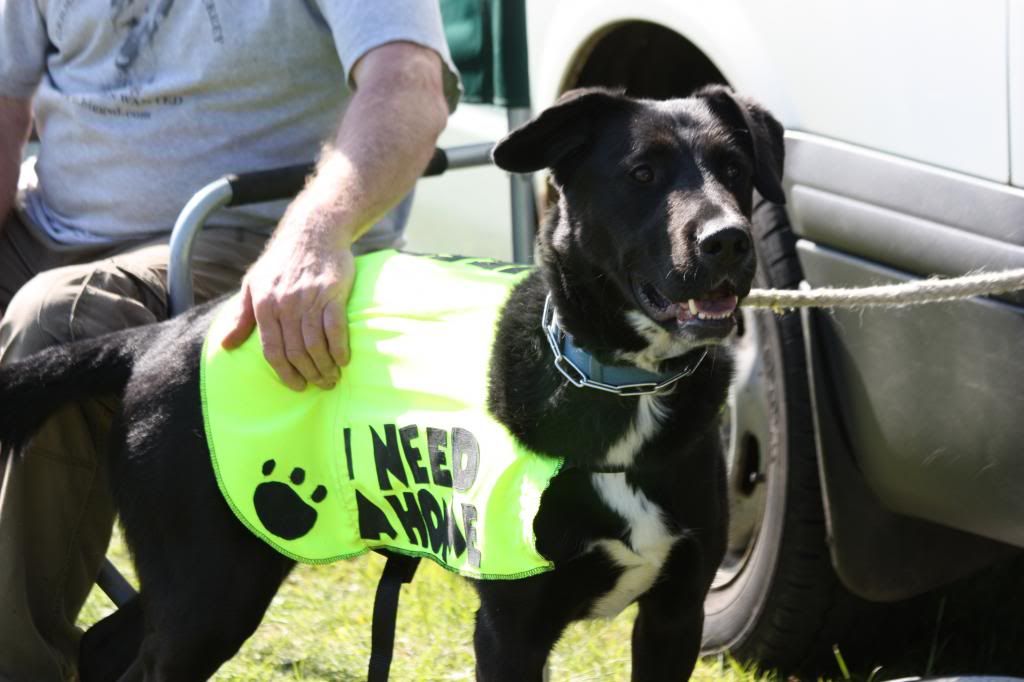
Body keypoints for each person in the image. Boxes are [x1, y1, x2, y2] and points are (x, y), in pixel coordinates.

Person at [0, 1, 461, 679]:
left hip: (239, 243)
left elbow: (410, 84)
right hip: (50, 226)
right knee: (57, 302)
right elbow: (6, 105)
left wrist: (316, 234)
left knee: (59, 319)